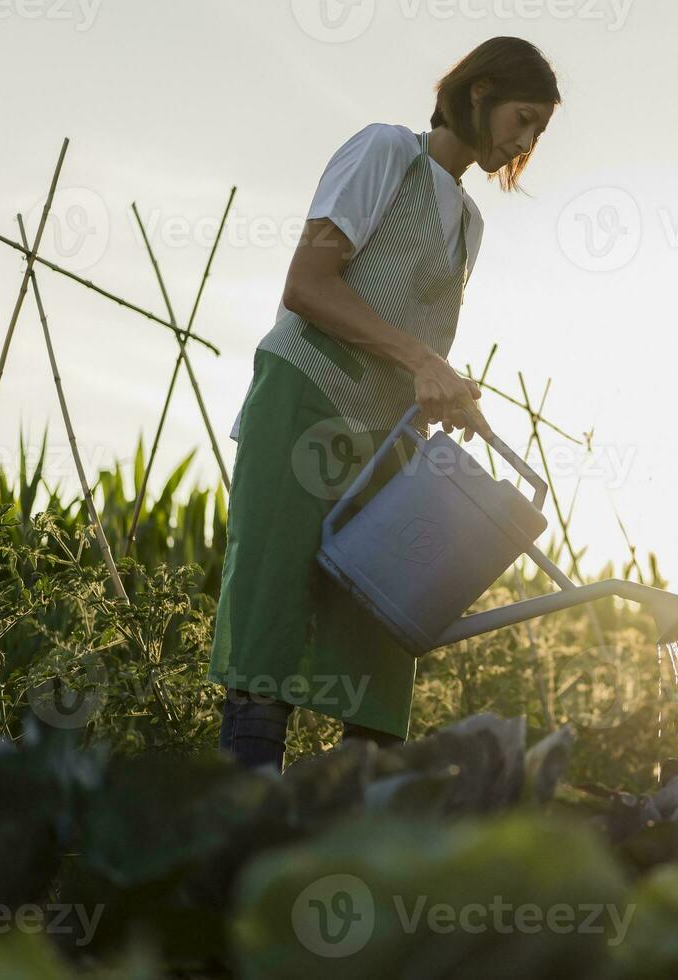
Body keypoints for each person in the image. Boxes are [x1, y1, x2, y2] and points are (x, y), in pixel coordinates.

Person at [208, 36, 559, 770]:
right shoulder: (383, 153)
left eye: (538, 132)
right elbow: (307, 284)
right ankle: (242, 829)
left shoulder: (471, 224)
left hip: (387, 433)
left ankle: (358, 838)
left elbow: (408, 332)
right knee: (269, 618)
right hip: (305, 400)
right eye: (521, 118)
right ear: (477, 92)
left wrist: (445, 389)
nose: (524, 142)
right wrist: (420, 359)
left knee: (383, 638)